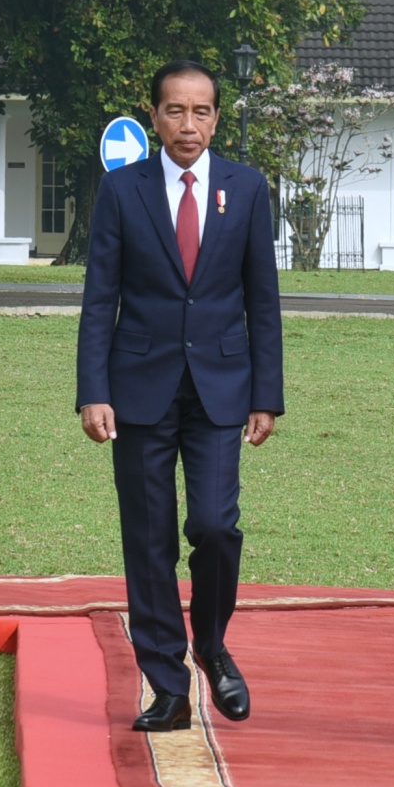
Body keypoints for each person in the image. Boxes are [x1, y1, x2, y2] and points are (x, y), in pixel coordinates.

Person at [76, 59, 285, 733]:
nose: (187, 124)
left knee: (216, 528)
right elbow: (99, 296)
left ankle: (212, 643)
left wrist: (267, 395)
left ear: (216, 119)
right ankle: (166, 684)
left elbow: (263, 300)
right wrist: (93, 390)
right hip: (138, 390)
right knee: (149, 538)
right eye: (174, 110)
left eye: (200, 112)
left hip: (223, 390)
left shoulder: (246, 189)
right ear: (154, 117)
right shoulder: (121, 191)